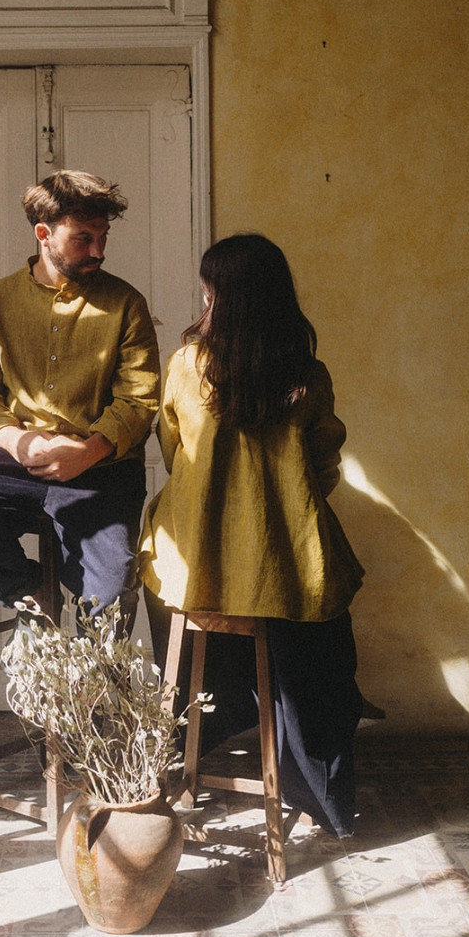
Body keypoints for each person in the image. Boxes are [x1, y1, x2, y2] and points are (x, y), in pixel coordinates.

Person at [138, 232, 366, 837]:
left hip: (199, 569)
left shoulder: (186, 368)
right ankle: (319, 788)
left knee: (164, 574)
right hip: (289, 568)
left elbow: (170, 451)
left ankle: (197, 738)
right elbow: (325, 463)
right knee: (323, 649)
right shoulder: (307, 376)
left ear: (221, 297)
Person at [0, 170, 160, 616]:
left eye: (103, 236)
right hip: (17, 456)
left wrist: (87, 451)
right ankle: (34, 590)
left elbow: (139, 401)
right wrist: (20, 441)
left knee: (111, 595)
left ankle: (93, 683)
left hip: (103, 463)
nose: (98, 250)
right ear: (44, 234)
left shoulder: (126, 303)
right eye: (83, 238)